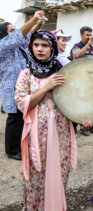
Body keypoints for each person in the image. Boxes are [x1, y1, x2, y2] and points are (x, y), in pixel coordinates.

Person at [12, 29, 92, 211]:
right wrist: (46, 87)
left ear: (53, 48)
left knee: (60, 172)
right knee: (36, 176)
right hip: (36, 134)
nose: (40, 49)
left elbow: (76, 100)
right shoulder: (26, 74)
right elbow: (21, 103)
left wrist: (84, 119)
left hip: (62, 131)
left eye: (45, 45)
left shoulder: (64, 72)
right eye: (36, 45)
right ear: (31, 47)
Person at [0, 11, 45, 161]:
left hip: (21, 87)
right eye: (11, 30)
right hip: (11, 87)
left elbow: (28, 35)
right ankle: (11, 151)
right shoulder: (3, 45)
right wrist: (33, 18)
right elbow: (20, 35)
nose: (16, 32)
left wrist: (38, 23)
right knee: (14, 118)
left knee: (21, 117)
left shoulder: (18, 46)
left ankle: (19, 146)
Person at [71, 26, 93, 136]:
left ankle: (91, 126)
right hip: (80, 80)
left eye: (90, 35)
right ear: (81, 35)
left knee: (91, 104)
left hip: (91, 81)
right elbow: (77, 55)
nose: (89, 37)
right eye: (87, 35)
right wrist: (88, 45)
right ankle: (75, 126)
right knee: (79, 104)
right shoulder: (77, 46)